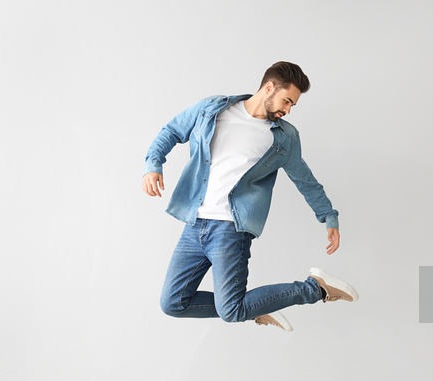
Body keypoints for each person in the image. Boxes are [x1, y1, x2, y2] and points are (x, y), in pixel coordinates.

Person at [142, 61, 358, 332]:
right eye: (287, 100)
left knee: (232, 310)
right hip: (194, 223)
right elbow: (171, 131)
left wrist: (329, 216)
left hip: (231, 230)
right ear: (269, 87)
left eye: (293, 105)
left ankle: (315, 288)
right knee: (173, 303)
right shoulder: (212, 109)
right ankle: (256, 306)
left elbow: (305, 181)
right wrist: (153, 165)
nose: (288, 109)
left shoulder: (283, 137)